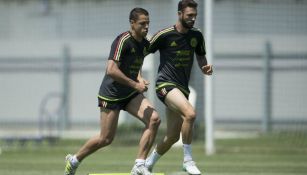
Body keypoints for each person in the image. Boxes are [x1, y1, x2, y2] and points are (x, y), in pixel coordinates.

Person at [64, 7, 161, 175]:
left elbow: (134, 64)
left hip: (130, 93)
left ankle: (139, 164)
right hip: (112, 94)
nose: (146, 27)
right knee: (106, 139)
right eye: (142, 24)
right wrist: (135, 84)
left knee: (154, 120)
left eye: (148, 23)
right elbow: (111, 70)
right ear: (132, 23)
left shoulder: (144, 44)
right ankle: (74, 160)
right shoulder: (122, 40)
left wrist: (138, 78)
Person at [145, 0, 213, 174]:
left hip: (182, 89)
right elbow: (142, 52)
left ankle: (147, 165)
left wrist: (205, 66)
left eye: (195, 16)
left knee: (172, 136)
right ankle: (188, 160)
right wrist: (137, 76)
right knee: (190, 114)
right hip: (165, 84)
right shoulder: (165, 35)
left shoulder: (196, 36)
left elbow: (201, 56)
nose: (193, 19)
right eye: (189, 15)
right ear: (180, 13)